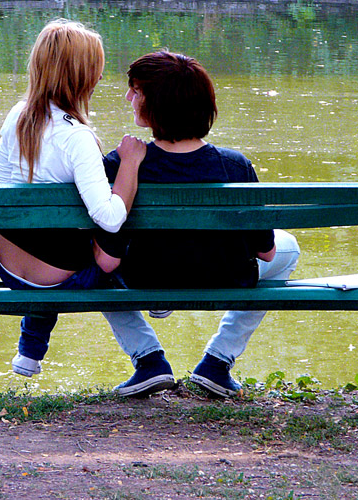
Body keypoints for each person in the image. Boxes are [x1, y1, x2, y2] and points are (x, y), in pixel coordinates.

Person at [96, 51, 301, 398]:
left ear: (158, 104)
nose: (128, 98)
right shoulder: (235, 167)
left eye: (136, 91)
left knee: (94, 261)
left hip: (143, 278)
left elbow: (107, 257)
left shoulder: (120, 164)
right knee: (289, 247)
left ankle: (148, 360)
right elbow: (266, 253)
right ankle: (217, 363)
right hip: (225, 277)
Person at [0, 18, 146, 378]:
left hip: (9, 265)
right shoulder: (76, 138)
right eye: (97, 70)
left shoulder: (18, 116)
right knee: (110, 255)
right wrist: (130, 165)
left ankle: (29, 353)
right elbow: (109, 217)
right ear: (81, 76)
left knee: (53, 239)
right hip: (58, 276)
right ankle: (150, 351)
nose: (101, 78)